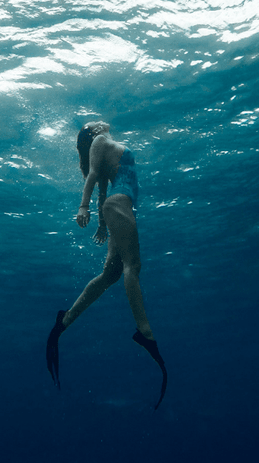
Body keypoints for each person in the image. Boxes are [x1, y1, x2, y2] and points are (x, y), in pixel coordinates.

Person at [46, 121, 167, 410]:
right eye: (92, 125)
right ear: (92, 133)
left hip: (114, 206)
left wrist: (102, 222)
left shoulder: (102, 147)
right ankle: (145, 331)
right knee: (132, 267)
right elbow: (93, 179)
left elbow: (101, 186)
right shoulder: (100, 139)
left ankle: (64, 322)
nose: (97, 121)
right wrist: (82, 206)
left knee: (110, 274)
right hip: (120, 205)